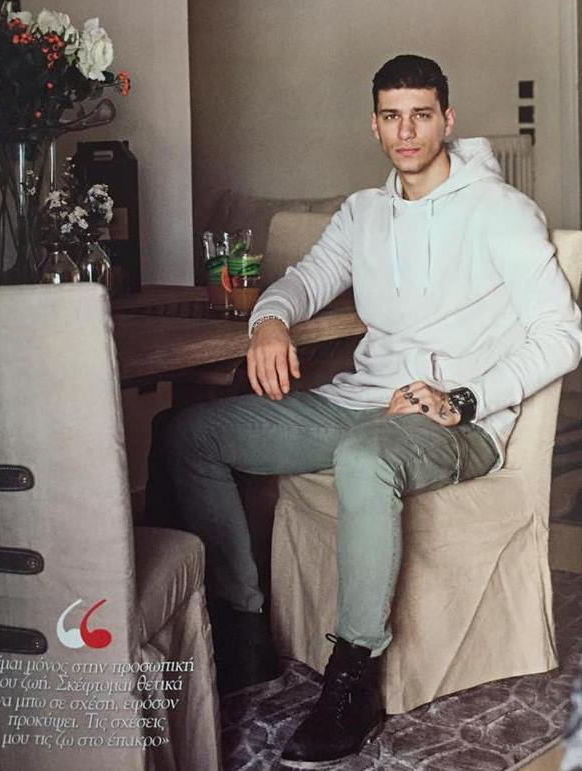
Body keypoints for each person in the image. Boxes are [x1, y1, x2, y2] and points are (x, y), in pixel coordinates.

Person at [151, 54, 582, 767]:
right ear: (374, 125)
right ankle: (243, 631)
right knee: (189, 433)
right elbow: (303, 281)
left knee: (362, 456)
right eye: (391, 116)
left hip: (457, 422)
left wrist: (465, 397)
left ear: (446, 119)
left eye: (421, 115)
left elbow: (563, 334)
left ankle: (352, 678)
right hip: (360, 403)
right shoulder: (363, 212)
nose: (406, 131)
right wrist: (269, 321)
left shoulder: (500, 210)